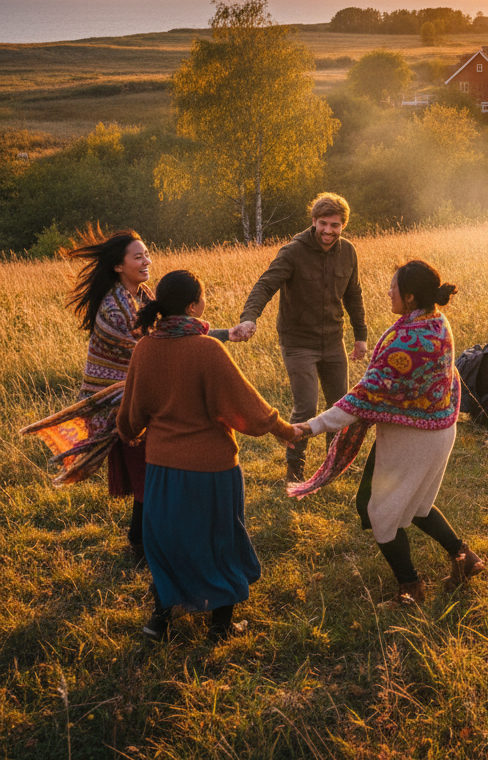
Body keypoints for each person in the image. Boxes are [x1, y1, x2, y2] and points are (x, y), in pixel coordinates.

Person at [24, 227, 239, 564]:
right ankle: (141, 545)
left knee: (152, 472)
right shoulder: (112, 308)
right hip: (121, 402)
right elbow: (152, 346)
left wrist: (223, 334)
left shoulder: (141, 296)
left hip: (144, 395)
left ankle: (143, 541)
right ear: (118, 266)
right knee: (149, 474)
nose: (146, 261)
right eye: (137, 256)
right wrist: (218, 338)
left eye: (147, 254)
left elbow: (169, 331)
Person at [116, 269, 300, 642]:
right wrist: (286, 431)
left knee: (169, 542)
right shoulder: (206, 349)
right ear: (192, 305)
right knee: (220, 541)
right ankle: (220, 627)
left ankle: (160, 620)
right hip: (211, 469)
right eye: (203, 297)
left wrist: (127, 435)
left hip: (162, 469)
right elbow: (248, 407)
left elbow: (130, 419)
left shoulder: (145, 348)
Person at [290, 260, 483, 607]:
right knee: (418, 505)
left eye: (392, 288)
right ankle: (464, 558)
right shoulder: (434, 321)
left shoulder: (407, 341)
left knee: (380, 513)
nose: (387, 292)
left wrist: (310, 426)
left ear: (409, 297)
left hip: (414, 438)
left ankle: (410, 589)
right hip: (436, 428)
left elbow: (362, 397)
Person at [236, 193, 368, 484]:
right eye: (323, 224)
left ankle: (334, 466)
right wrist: (250, 317)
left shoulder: (348, 252)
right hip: (298, 343)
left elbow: (354, 295)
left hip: (334, 341)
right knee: (306, 407)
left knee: (340, 407)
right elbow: (266, 284)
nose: (328, 231)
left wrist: (361, 336)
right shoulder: (293, 251)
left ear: (343, 225)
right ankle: (295, 468)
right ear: (313, 222)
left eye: (335, 225)